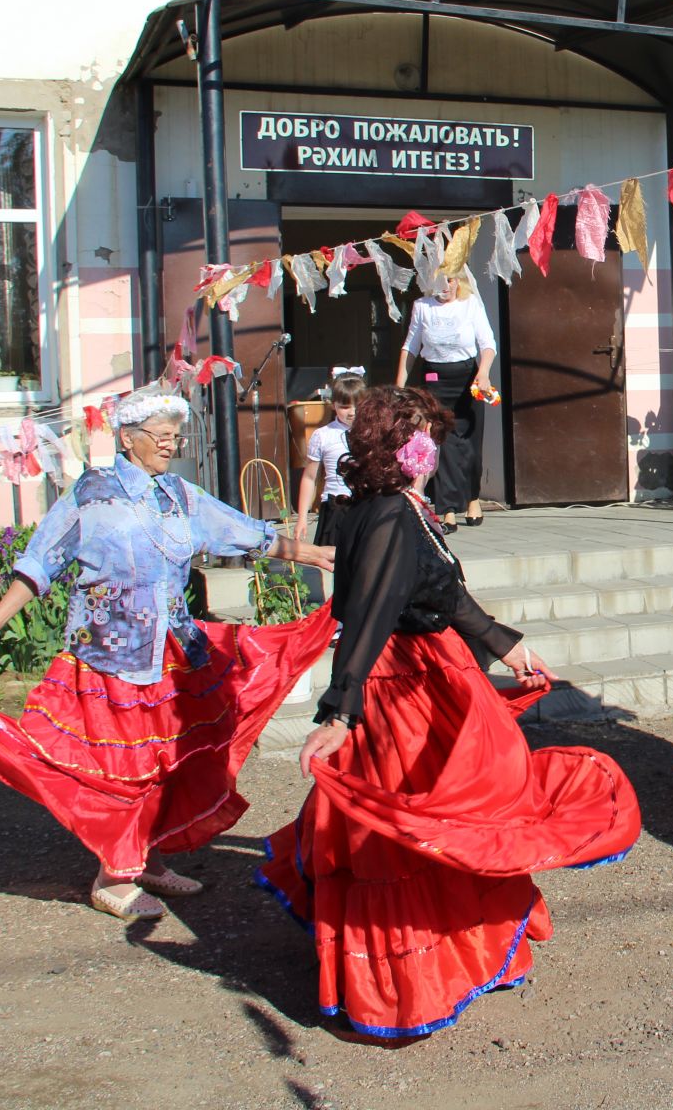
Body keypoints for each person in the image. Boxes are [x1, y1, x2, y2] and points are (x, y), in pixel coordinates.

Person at [258, 386, 640, 1040]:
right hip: (401, 686)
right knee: (414, 822)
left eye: (431, 433)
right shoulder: (387, 517)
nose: (432, 446)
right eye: (421, 434)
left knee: (451, 811)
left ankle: (464, 951)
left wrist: (502, 641)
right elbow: (372, 617)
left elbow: (445, 593)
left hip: (431, 671)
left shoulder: (398, 507)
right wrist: (339, 713)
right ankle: (402, 985)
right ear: (395, 446)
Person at [0, 388, 337, 921]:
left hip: (172, 653)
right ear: (128, 439)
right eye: (161, 437)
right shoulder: (90, 496)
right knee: (124, 768)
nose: (172, 446)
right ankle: (111, 876)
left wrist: (316, 553)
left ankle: (147, 858)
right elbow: (39, 563)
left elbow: (242, 533)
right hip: (110, 656)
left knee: (165, 762)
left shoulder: (179, 495)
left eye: (175, 437)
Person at [397, 268, 495, 528]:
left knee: (471, 444)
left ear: (458, 281)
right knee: (442, 441)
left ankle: (472, 498)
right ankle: (448, 507)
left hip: (467, 377)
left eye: (450, 280)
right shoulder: (422, 307)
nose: (445, 286)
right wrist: (398, 388)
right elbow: (410, 347)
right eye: (440, 280)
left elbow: (487, 343)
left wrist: (483, 373)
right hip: (435, 378)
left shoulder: (470, 303)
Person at [295, 370, 363, 546]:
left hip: (366, 506)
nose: (352, 412)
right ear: (333, 405)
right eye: (345, 406)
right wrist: (302, 517)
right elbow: (310, 477)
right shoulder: (323, 435)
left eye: (357, 405)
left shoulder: (373, 432)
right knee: (334, 561)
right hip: (335, 506)